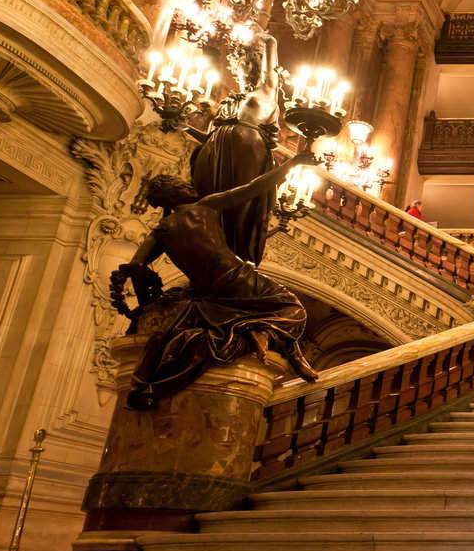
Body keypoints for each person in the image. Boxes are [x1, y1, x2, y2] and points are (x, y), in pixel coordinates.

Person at [112, 153, 320, 410]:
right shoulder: (205, 207)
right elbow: (254, 187)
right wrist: (292, 163)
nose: (189, 186)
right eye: (180, 185)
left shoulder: (161, 231)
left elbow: (136, 266)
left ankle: (258, 332)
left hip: (208, 292)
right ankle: (259, 335)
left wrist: (144, 302)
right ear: (170, 195)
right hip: (239, 279)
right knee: (295, 310)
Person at [189, 34, 283, 265]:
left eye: (252, 64)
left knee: (241, 201)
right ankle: (217, 246)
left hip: (249, 152)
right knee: (213, 202)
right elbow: (209, 134)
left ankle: (238, 253)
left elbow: (270, 74)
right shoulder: (232, 101)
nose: (247, 69)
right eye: (242, 65)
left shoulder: (266, 92)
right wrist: (183, 127)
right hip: (217, 150)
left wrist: (270, 42)